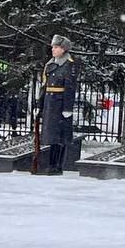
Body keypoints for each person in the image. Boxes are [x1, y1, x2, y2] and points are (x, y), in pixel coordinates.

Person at [35, 34, 78, 175]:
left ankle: (57, 166)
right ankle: (51, 165)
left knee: (60, 137)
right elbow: (44, 86)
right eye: (53, 47)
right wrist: (39, 105)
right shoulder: (50, 64)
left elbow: (70, 88)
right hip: (49, 103)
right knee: (51, 136)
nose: (53, 49)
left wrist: (67, 108)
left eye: (56, 47)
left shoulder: (69, 64)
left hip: (60, 104)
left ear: (63, 49)